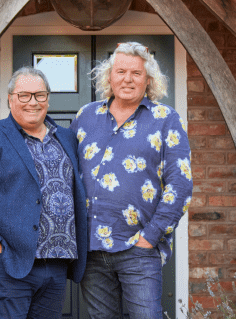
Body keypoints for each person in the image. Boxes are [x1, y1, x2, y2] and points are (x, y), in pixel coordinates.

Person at [70, 41, 193, 319]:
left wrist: (150, 237)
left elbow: (180, 185)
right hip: (91, 249)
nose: (127, 79)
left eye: (136, 73)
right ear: (109, 77)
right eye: (121, 71)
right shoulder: (85, 117)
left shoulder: (165, 119)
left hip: (137, 247)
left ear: (148, 80)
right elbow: (67, 174)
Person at [0, 67, 88, 319]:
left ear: (47, 99)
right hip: (9, 264)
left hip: (57, 264)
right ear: (10, 99)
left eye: (39, 95)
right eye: (24, 95)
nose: (33, 102)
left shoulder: (67, 138)